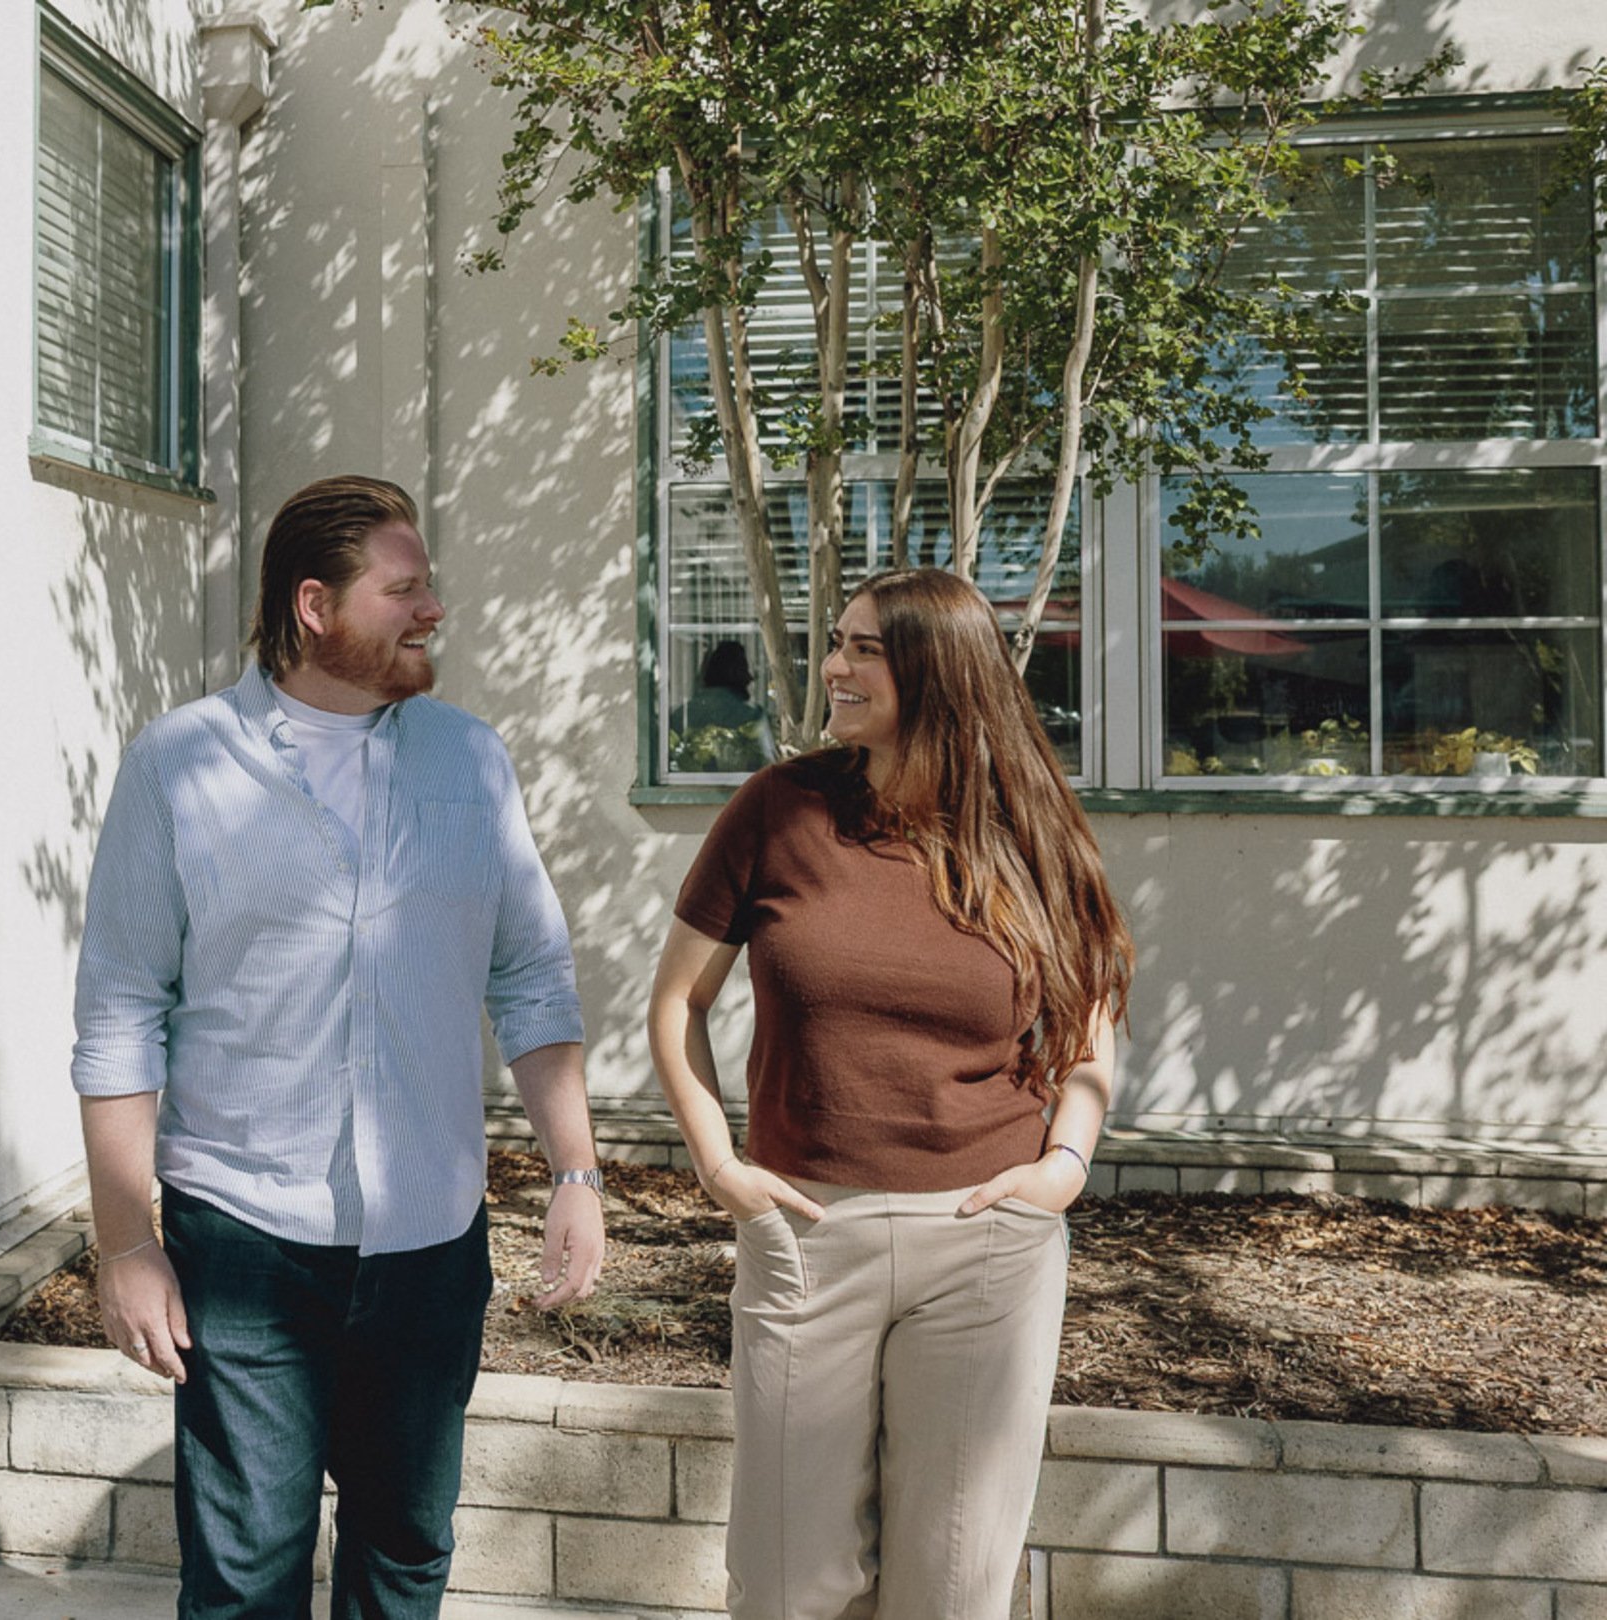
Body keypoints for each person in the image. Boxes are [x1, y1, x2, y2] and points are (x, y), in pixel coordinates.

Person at [71, 474, 607, 1620]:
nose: (432, 609)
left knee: (408, 1550)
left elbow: (530, 974)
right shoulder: (179, 763)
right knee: (248, 1575)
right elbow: (120, 1006)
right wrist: (126, 1245)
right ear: (315, 606)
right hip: (244, 1235)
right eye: (403, 589)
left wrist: (576, 1173)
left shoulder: (471, 761)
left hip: (430, 1236)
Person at [646, 568, 1134, 1620]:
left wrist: (1064, 1167)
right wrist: (720, 1165)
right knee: (785, 1585)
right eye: (838, 640)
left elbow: (1090, 1034)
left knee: (953, 1589)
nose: (835, 666)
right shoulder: (781, 811)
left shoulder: (1028, 831)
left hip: (987, 1243)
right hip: (807, 1233)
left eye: (865, 649)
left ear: (938, 671)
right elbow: (676, 1006)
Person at [669, 640, 774, 773]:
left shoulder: (681, 715)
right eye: (746, 670)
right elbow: (770, 763)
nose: (751, 678)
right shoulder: (754, 717)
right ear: (737, 674)